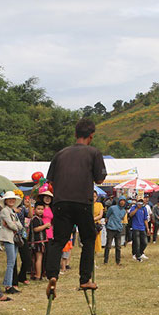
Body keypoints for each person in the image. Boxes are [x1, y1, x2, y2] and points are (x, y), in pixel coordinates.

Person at [44, 118, 107, 292]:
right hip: (82, 202)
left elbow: (50, 181)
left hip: (60, 202)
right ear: (91, 136)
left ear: (75, 134)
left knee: (58, 241)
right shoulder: (94, 153)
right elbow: (100, 179)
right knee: (87, 238)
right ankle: (84, 279)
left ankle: (52, 275)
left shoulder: (60, 154)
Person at [0, 191, 24, 295]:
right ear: (5, 201)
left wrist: (14, 225)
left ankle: (9, 284)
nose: (12, 201)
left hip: (13, 238)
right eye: (9, 199)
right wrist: (14, 225)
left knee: (12, 262)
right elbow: (12, 225)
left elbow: (18, 225)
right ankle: (8, 285)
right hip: (8, 238)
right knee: (11, 262)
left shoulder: (11, 211)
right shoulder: (5, 211)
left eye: (13, 199)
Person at [29, 201, 50, 279]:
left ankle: (36, 273)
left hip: (39, 241)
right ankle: (38, 275)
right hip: (37, 242)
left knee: (37, 258)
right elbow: (36, 229)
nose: (40, 211)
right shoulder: (35, 219)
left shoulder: (39, 219)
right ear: (34, 209)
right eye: (38, 209)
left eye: (42, 209)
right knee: (39, 258)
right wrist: (45, 226)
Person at [104, 197, 127, 264]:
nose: (122, 202)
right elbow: (107, 216)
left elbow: (121, 219)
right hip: (111, 228)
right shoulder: (112, 208)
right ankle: (105, 261)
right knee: (108, 245)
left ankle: (118, 261)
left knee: (118, 246)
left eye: (124, 201)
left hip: (118, 229)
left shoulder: (124, 211)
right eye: (121, 201)